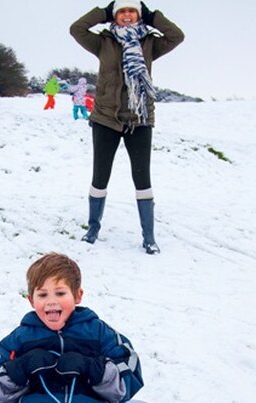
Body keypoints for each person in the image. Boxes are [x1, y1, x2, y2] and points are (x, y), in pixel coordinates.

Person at [0, 252, 143, 403]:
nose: (51, 301)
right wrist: (22, 367)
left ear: (77, 295)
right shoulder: (20, 339)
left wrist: (92, 368)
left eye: (60, 293)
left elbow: (130, 376)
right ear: (31, 300)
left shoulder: (98, 332)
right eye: (42, 294)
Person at [70, 0, 184, 254]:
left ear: (139, 14)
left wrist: (153, 17)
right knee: (100, 177)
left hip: (139, 119)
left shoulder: (150, 43)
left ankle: (149, 237)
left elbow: (177, 35)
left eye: (132, 10)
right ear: (115, 14)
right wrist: (103, 12)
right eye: (122, 11)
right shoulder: (103, 42)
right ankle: (93, 229)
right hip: (105, 119)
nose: (127, 15)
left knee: (142, 179)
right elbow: (77, 28)